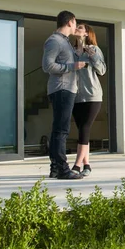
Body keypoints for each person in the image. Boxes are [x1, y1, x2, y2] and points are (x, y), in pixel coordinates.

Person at [42, 11, 86, 180]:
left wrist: (81, 39)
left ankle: (55, 168)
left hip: (67, 89)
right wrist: (72, 66)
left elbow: (77, 55)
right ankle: (62, 169)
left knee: (58, 130)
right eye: (75, 23)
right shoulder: (54, 41)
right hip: (61, 89)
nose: (76, 27)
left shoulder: (65, 42)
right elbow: (48, 66)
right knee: (61, 130)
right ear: (70, 22)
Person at [71, 23, 106, 176]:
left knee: (85, 128)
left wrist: (93, 56)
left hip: (92, 95)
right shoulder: (71, 51)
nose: (76, 28)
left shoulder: (94, 50)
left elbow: (102, 71)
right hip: (76, 96)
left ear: (86, 33)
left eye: (80, 27)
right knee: (81, 131)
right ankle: (87, 165)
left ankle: (76, 166)